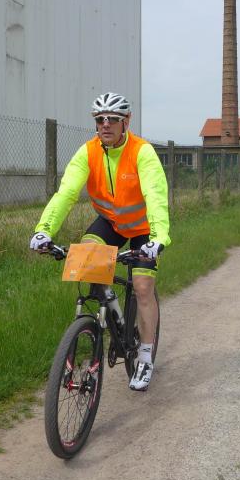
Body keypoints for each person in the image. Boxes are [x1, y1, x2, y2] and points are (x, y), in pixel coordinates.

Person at [29, 92, 170, 391]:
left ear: (126, 121)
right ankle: (108, 313)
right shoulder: (88, 152)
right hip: (111, 223)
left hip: (143, 228)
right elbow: (66, 193)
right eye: (100, 119)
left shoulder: (142, 152)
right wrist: (44, 231)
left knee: (143, 287)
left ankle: (145, 356)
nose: (105, 124)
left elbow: (155, 196)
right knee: (87, 261)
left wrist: (158, 238)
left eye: (113, 119)